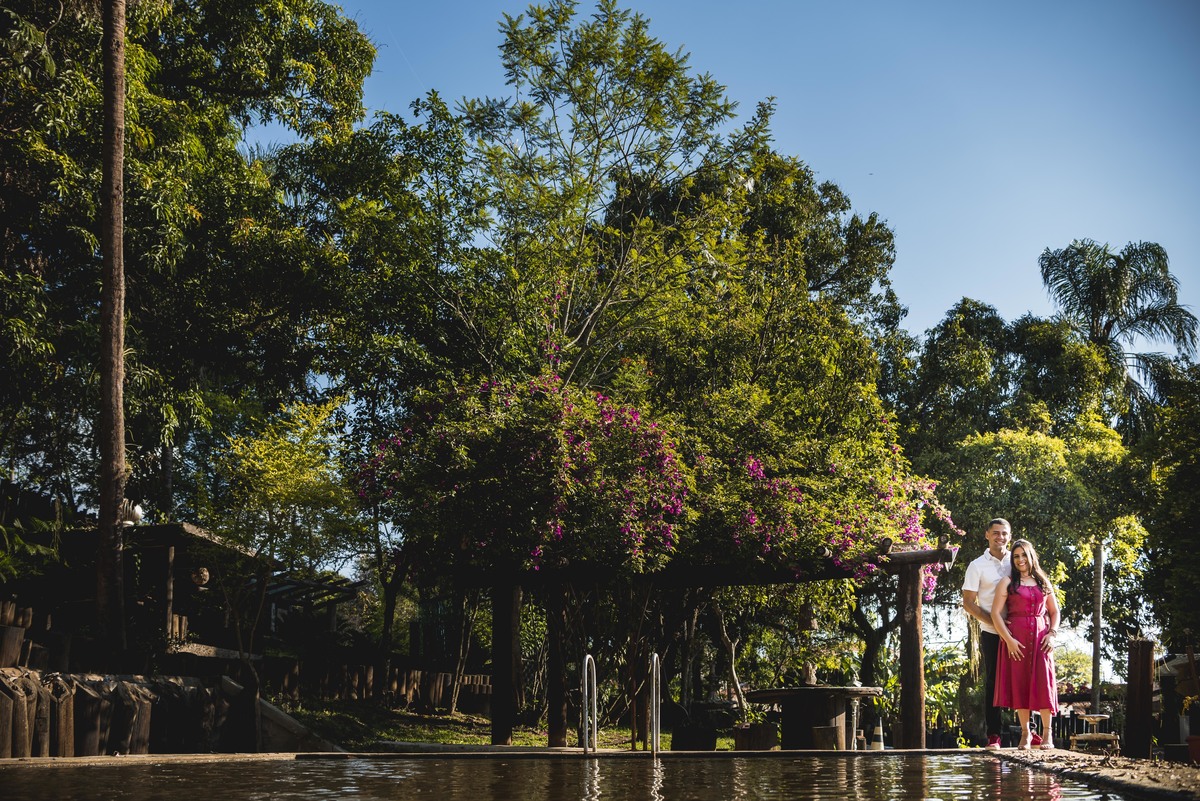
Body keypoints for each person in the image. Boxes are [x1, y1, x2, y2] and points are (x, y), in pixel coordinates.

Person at [991, 538, 1061, 750]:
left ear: (1031, 556)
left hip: (1041, 640)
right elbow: (995, 614)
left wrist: (1052, 634)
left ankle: (1047, 734)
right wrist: (1009, 640)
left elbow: (1054, 612)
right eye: (1016, 556)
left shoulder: (1043, 581)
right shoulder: (1007, 582)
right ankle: (1025, 734)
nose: (1020, 560)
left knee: (1044, 684)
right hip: (1017, 641)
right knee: (1020, 684)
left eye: (1024, 555)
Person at [962, 518, 1011, 748]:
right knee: (993, 681)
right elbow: (968, 603)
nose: (1000, 537)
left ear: (1009, 536)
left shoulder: (1018, 560)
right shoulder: (977, 565)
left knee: (1024, 678)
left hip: (1020, 630)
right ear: (987, 535)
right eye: (996, 533)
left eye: (1004, 533)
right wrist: (996, 623)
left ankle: (1029, 730)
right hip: (991, 632)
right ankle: (994, 734)